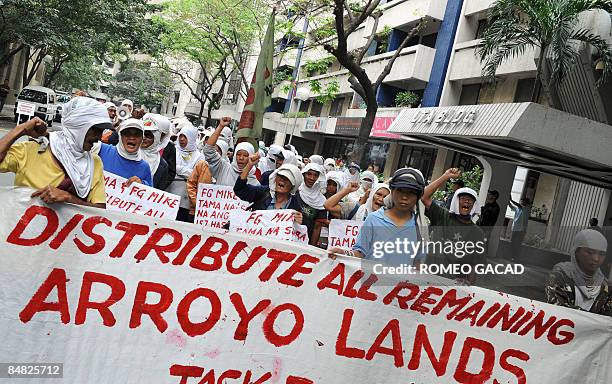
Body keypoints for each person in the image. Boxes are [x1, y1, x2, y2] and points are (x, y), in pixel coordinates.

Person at [0, 97, 109, 207]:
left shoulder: (94, 162)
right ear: (78, 125)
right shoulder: (31, 149)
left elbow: (99, 210)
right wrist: (21, 130)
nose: (99, 137)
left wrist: (69, 198)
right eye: (96, 130)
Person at [329, 168, 427, 270]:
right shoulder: (374, 219)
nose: (404, 197)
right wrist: (344, 253)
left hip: (399, 285)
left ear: (418, 196)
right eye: (400, 191)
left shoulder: (419, 226)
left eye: (411, 192)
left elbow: (417, 263)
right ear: (392, 191)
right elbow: (360, 253)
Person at [421, 168, 485, 285]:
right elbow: (424, 197)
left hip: (454, 285)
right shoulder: (442, 216)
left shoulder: (477, 233)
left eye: (470, 200)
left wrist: (470, 289)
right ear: (456, 201)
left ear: (474, 205)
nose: (466, 202)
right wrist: (445, 176)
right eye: (463, 199)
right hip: (428, 277)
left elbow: (473, 265)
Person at [546, 229, 611, 316]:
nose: (596, 259)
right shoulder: (561, 276)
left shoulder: (606, 287)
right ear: (576, 252)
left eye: (602, 254)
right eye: (590, 252)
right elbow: (558, 310)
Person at [233, 153, 303, 223]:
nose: (282, 180)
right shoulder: (264, 192)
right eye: (280, 176)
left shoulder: (296, 205)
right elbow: (240, 189)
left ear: (293, 185)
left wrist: (299, 222)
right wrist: (249, 165)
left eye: (287, 178)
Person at [204, 117, 259, 187]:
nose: (241, 158)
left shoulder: (254, 184)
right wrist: (220, 127)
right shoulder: (223, 169)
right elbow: (208, 150)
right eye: (238, 154)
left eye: (245, 155)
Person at [98, 118, 153, 187]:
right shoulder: (102, 150)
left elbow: (149, 194)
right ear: (120, 136)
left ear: (142, 139)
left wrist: (141, 185)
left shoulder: (144, 167)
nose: (132, 138)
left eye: (137, 135)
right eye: (127, 134)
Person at [298, 163, 327, 244]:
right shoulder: (296, 191)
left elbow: (317, 228)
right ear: (304, 174)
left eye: (315, 175)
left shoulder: (322, 202)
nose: (312, 178)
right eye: (309, 174)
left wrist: (311, 248)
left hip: (306, 240)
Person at [141, 116, 171, 190]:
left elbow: (159, 190)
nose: (143, 137)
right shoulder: (129, 152)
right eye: (142, 133)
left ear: (157, 138)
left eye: (148, 135)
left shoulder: (162, 165)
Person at [509, 196, 530, 261]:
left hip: (521, 230)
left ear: (526, 203)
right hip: (515, 228)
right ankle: (513, 257)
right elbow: (511, 207)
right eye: (521, 201)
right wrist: (508, 201)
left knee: (517, 244)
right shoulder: (518, 208)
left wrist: (511, 200)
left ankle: (516, 257)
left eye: (523, 201)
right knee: (513, 242)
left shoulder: (526, 208)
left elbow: (518, 205)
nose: (521, 202)